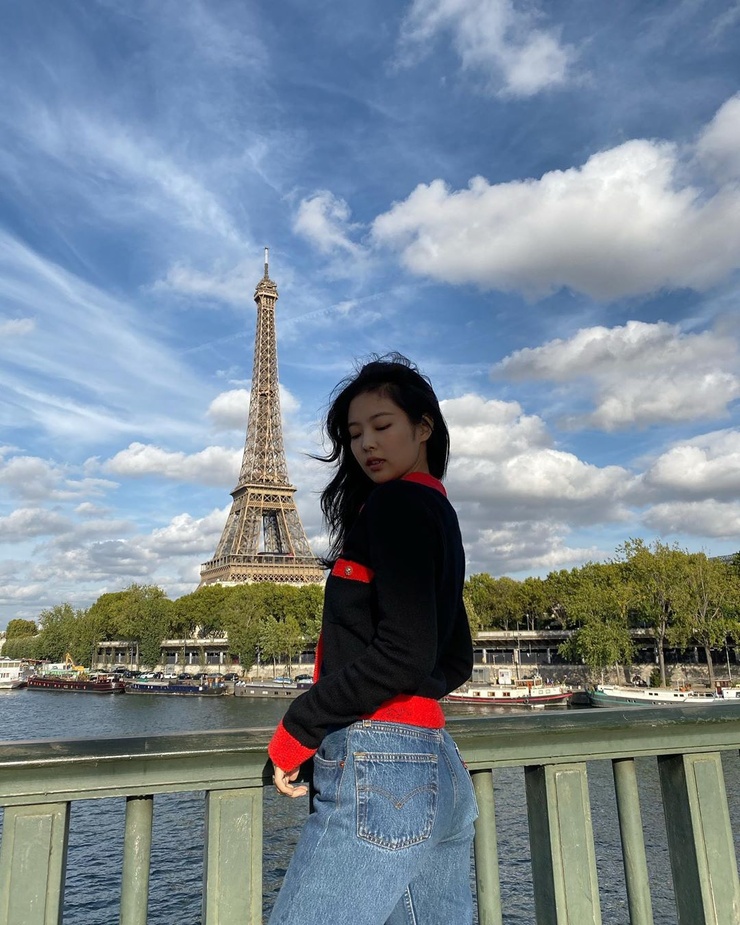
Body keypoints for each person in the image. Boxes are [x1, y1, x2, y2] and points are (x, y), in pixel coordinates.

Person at [267, 354, 478, 925]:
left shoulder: (394, 504)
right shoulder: (437, 509)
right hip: (438, 766)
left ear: (424, 427)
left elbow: (404, 654)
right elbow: (455, 657)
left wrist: (300, 726)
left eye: (382, 426)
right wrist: (410, 699)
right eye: (354, 434)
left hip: (382, 770)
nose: (366, 444)